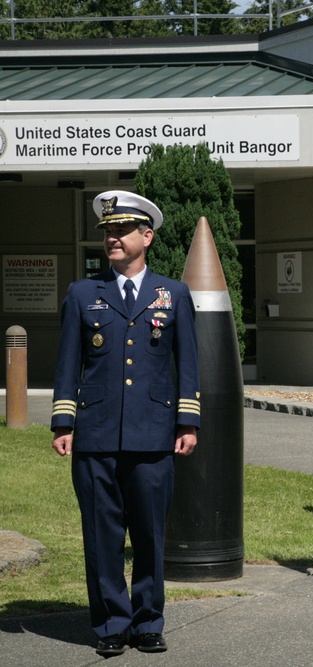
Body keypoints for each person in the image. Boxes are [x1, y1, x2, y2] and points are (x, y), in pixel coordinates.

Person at [51, 191, 200, 657]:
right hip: (95, 436)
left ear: (146, 236)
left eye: (121, 231)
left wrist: (187, 422)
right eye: (107, 232)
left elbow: (188, 364)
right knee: (102, 534)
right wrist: (63, 422)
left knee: (151, 534)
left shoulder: (172, 294)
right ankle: (111, 623)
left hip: (154, 434)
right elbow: (67, 363)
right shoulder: (82, 294)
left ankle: (148, 621)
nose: (112, 238)